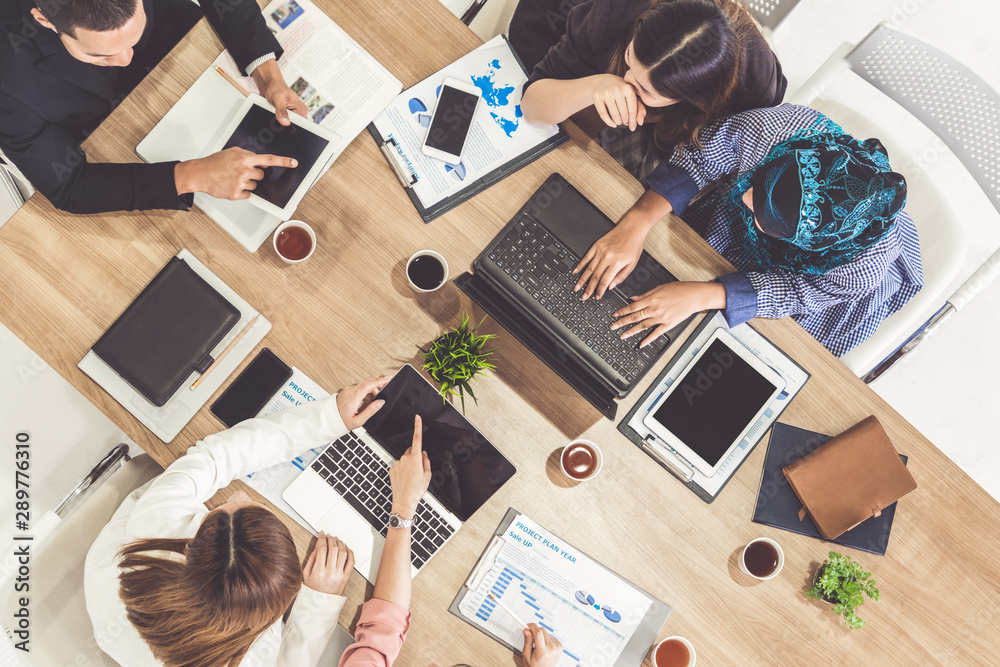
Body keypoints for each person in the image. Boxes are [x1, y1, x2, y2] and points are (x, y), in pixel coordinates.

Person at [84, 376, 395, 666]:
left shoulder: (156, 517)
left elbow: (218, 456)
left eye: (223, 513)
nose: (240, 496)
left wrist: (328, 419)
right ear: (269, 617)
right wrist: (317, 604)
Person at [595, 104, 922, 358]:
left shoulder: (858, 270)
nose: (745, 195)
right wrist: (636, 223)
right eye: (758, 181)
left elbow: (797, 291)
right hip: (737, 232)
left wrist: (705, 295)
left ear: (804, 245)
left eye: (763, 215)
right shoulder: (774, 129)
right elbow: (700, 160)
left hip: (817, 290)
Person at [514, 0, 785, 288]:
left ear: (695, 99)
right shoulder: (615, 11)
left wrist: (639, 222)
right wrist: (595, 85)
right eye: (631, 60)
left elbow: (706, 164)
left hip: (684, 138)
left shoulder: (754, 88)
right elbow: (532, 109)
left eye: (646, 89)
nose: (628, 82)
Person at [0, 0, 308, 214]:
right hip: (104, 130)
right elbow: (69, 186)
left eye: (129, 39)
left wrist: (266, 73)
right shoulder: (7, 81)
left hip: (183, 44)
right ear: (44, 19)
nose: (125, 58)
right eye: (101, 54)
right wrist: (193, 175)